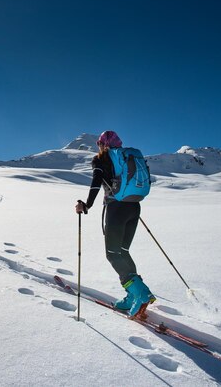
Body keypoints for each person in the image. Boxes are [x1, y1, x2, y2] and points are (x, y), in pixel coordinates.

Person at [75, 130, 155, 318]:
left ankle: (141, 293)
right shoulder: (128, 156)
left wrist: (86, 204)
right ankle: (132, 295)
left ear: (102, 144)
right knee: (123, 252)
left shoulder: (101, 159)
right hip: (133, 207)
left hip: (116, 209)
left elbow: (96, 181)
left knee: (112, 254)